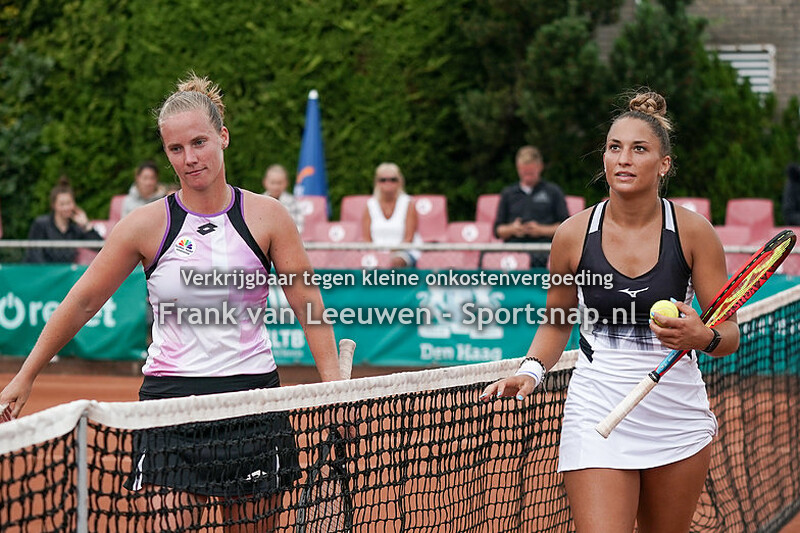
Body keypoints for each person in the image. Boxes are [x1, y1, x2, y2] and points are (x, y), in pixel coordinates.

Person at [1, 73, 344, 531]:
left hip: (253, 403)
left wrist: (336, 392)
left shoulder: (269, 216)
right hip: (170, 404)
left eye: (199, 142)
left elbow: (309, 307)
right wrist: (27, 374)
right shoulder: (146, 224)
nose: (189, 158)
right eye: (175, 149)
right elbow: (83, 300)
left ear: (223, 136)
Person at [481, 91, 740, 532]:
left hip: (676, 416)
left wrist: (703, 337)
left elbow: (728, 334)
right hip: (596, 407)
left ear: (664, 164)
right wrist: (531, 371)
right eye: (614, 147)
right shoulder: (571, 234)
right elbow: (557, 321)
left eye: (639, 149)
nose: (623, 159)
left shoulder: (694, 233)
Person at [493, 146, 570, 268]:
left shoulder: (553, 192)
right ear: (518, 168)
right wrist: (513, 229)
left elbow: (566, 228)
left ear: (540, 167)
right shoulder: (508, 193)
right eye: (524, 172)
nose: (527, 176)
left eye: (531, 173)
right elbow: (497, 230)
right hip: (513, 250)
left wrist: (541, 230)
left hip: (543, 249)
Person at [25, 177, 103, 263]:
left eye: (69, 203)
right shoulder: (41, 224)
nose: (66, 208)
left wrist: (86, 225)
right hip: (43, 273)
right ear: (54, 205)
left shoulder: (74, 229)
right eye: (62, 204)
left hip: (66, 275)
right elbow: (34, 254)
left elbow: (100, 248)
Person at [361, 162, 422, 268]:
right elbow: (367, 239)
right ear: (377, 183)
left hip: (403, 251)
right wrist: (378, 255)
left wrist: (388, 253)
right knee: (368, 263)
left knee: (396, 262)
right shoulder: (370, 204)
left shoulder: (408, 203)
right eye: (383, 180)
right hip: (377, 252)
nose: (388, 183)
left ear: (400, 182)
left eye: (393, 179)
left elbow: (409, 238)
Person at [263, 163, 304, 233]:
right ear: (265, 182)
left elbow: (299, 227)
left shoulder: (293, 203)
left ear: (286, 183)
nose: (276, 187)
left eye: (279, 183)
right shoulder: (259, 201)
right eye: (273, 183)